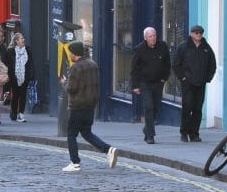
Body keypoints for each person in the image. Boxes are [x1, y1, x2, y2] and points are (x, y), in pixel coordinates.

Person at [61, 41, 118, 172]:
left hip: (77, 106)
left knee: (71, 134)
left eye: (70, 52)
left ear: (74, 54)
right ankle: (109, 149)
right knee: (87, 133)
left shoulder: (76, 67)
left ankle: (75, 163)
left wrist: (64, 83)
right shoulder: (93, 64)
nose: (70, 55)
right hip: (90, 106)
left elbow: (72, 88)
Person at [173, 24, 216, 142]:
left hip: (200, 83)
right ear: (192, 34)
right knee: (187, 107)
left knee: (197, 108)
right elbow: (176, 64)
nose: (199, 35)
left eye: (201, 33)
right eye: (196, 33)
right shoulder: (184, 47)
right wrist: (183, 78)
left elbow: (212, 64)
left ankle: (194, 133)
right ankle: (184, 132)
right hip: (187, 83)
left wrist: (208, 78)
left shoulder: (206, 48)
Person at [130, 27, 172, 144]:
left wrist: (165, 77)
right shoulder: (139, 49)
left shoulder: (162, 46)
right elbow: (134, 69)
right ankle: (150, 136)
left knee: (156, 108)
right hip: (145, 83)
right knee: (148, 106)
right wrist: (135, 86)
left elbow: (167, 63)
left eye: (154, 35)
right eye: (150, 36)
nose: (153, 38)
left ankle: (146, 128)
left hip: (158, 82)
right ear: (145, 38)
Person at [4, 32, 34, 123]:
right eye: (21, 39)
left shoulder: (27, 50)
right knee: (15, 96)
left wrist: (31, 76)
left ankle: (21, 114)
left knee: (23, 95)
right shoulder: (10, 51)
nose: (23, 40)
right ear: (16, 41)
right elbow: (7, 64)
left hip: (25, 76)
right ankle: (13, 112)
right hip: (14, 77)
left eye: (23, 38)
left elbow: (31, 63)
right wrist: (8, 76)